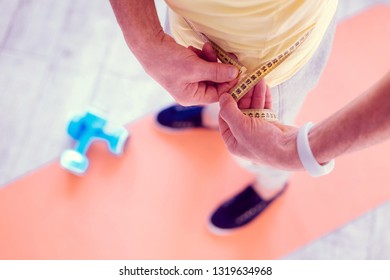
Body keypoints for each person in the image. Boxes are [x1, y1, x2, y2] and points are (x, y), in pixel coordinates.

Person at [109, 0, 339, 233]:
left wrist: (303, 152)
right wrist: (147, 41)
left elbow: (283, 146)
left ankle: (271, 186)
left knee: (266, 148)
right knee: (215, 94)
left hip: (273, 60)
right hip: (189, 25)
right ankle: (213, 118)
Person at [219, 71, 390, 172]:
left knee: (263, 147)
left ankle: (269, 189)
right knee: (232, 105)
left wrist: (294, 152)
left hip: (281, 65)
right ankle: (216, 119)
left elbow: (274, 145)